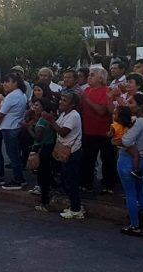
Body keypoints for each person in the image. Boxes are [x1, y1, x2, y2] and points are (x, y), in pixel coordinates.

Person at [42, 91, 85, 219]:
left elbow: (63, 132)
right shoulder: (64, 114)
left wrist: (51, 120)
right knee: (66, 179)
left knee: (71, 180)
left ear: (72, 105)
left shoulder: (73, 116)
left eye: (65, 101)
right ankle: (74, 205)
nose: (61, 102)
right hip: (64, 150)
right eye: (61, 99)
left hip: (72, 152)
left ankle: (76, 209)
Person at [116, 93, 143, 236]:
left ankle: (134, 225)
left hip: (128, 160)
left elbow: (126, 141)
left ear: (140, 106)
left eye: (131, 103)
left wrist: (119, 140)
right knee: (141, 193)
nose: (128, 105)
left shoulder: (138, 122)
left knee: (130, 194)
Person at [80, 66, 116, 194]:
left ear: (101, 78)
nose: (89, 77)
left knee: (107, 159)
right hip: (88, 130)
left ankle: (108, 185)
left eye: (92, 75)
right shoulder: (87, 90)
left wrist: (86, 99)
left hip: (104, 131)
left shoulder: (107, 90)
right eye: (89, 74)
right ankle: (86, 183)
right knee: (87, 159)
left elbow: (102, 111)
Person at [0, 73, 28, 190]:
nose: (4, 84)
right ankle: (19, 178)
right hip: (15, 127)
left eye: (8, 82)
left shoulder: (12, 96)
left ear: (15, 83)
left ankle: (18, 180)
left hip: (9, 128)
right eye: (4, 82)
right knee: (15, 155)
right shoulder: (21, 94)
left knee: (13, 156)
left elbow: (1, 114)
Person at [29, 98, 58, 212]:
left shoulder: (42, 121)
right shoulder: (47, 119)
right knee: (46, 172)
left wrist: (28, 129)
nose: (34, 108)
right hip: (47, 147)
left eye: (37, 105)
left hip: (42, 148)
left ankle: (44, 201)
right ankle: (54, 188)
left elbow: (38, 137)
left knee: (42, 174)